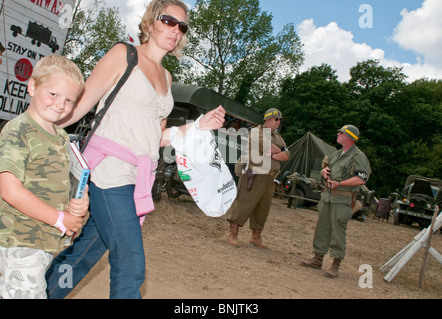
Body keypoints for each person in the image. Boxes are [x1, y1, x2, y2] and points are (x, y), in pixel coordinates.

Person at [45, 0, 225, 299]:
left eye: (182, 26)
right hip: (107, 172)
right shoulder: (123, 54)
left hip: (136, 178)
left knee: (83, 255)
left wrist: (199, 125)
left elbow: (153, 137)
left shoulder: (167, 78)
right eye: (168, 20)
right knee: (130, 265)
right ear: (151, 22)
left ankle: (36, 293)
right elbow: (79, 106)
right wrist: (38, 124)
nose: (175, 30)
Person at [0, 55, 89, 299]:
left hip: (43, 238)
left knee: (9, 292)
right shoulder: (18, 131)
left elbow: (64, 181)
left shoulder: (61, 136)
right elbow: (10, 191)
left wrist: (79, 202)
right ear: (33, 86)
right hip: (21, 238)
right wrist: (59, 219)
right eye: (53, 94)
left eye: (69, 100)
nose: (60, 104)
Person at [300, 125, 371, 278]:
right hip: (327, 197)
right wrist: (323, 171)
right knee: (322, 228)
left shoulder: (358, 156)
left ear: (350, 137)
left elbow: (362, 179)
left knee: (338, 232)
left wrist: (340, 184)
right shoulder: (336, 154)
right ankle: (317, 259)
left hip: (343, 200)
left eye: (341, 132)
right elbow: (327, 170)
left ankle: (335, 265)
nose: (338, 134)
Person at [226, 108, 289, 248]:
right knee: (243, 204)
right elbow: (273, 149)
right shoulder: (256, 132)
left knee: (263, 208)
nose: (278, 122)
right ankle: (233, 233)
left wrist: (274, 153)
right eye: (276, 119)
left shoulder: (278, 137)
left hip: (269, 177)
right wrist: (277, 151)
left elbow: (287, 154)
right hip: (254, 175)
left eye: (280, 120)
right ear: (267, 119)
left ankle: (256, 237)